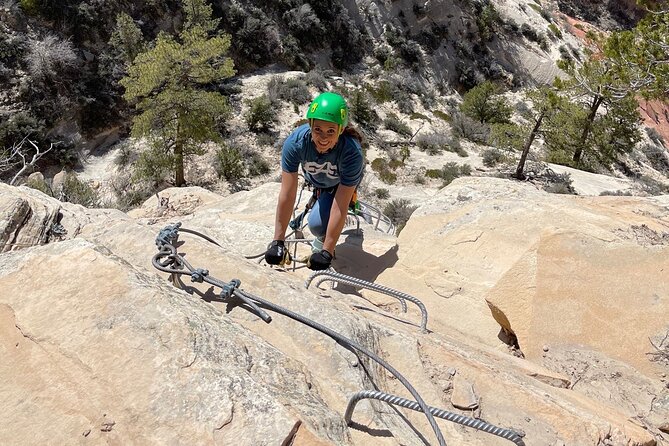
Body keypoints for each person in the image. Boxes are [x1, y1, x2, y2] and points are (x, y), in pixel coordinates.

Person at [265, 92, 364, 271]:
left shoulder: (351, 153)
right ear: (310, 125)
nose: (323, 137)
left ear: (341, 130)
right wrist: (277, 241)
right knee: (320, 215)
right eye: (317, 129)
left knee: (318, 226)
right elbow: (287, 193)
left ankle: (341, 212)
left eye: (330, 131)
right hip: (319, 182)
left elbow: (339, 205)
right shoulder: (296, 143)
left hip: (339, 184)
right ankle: (321, 198)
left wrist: (326, 251)